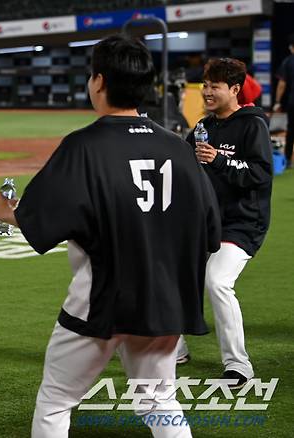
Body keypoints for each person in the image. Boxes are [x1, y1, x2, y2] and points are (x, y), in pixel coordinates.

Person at [0, 34, 221, 438]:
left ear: (99, 82)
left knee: (56, 401)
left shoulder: (83, 146)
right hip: (164, 303)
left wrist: (5, 211)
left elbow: (41, 222)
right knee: (159, 399)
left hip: (100, 302)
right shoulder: (178, 148)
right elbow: (211, 232)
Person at [177, 58, 272, 389]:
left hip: (242, 223)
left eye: (214, 86)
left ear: (234, 89)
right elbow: (183, 165)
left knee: (217, 281)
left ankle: (238, 365)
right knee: (170, 271)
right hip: (206, 222)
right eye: (205, 85)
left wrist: (220, 159)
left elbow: (260, 173)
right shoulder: (205, 127)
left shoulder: (252, 125)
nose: (206, 91)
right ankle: (174, 348)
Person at [273, 33, 294, 168]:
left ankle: (287, 160)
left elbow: (282, 84)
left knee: (291, 130)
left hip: (293, 102)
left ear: (291, 47)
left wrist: (277, 102)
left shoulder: (288, 61)